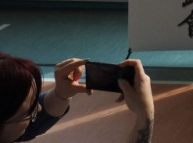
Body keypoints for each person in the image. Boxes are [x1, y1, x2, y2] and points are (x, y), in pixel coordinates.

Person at [0, 55, 154, 143]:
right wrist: (146, 115)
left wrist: (60, 94)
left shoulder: (7, 131)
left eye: (35, 99)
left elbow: (32, 124)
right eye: (29, 113)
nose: (39, 108)